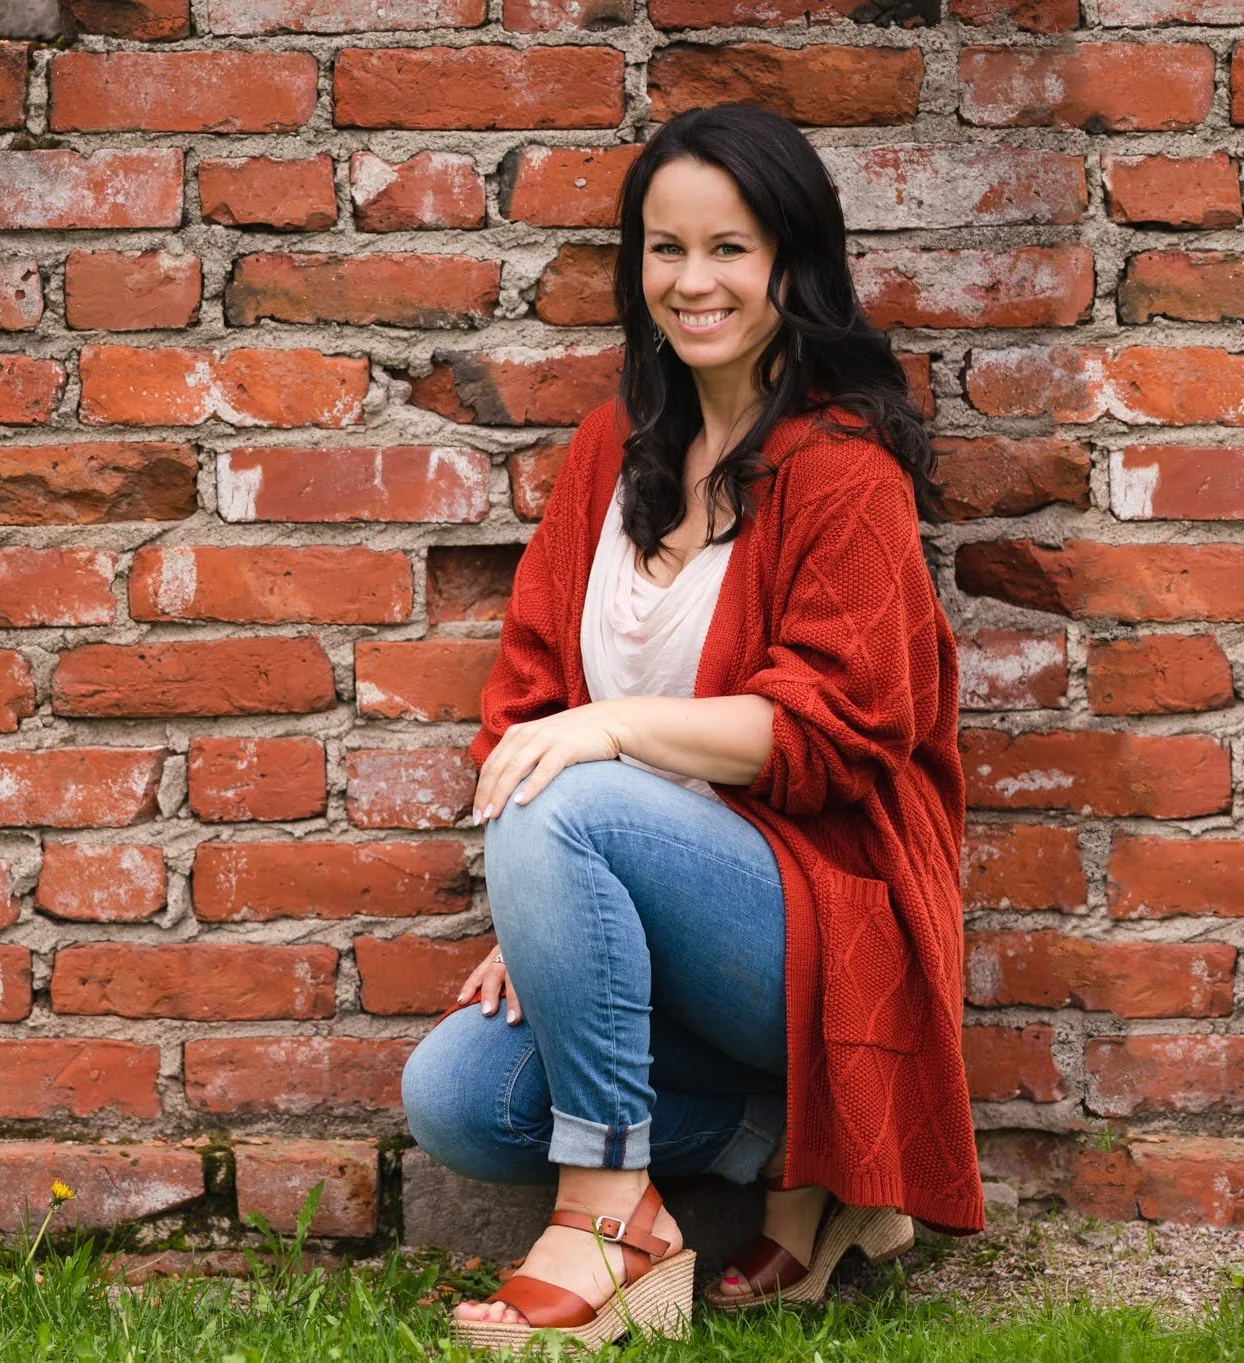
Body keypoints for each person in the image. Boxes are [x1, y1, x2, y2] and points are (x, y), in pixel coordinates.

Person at [398, 103, 984, 1351]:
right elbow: (527, 699)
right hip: (641, 918)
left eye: (729, 248)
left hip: (817, 917)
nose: (692, 281)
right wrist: (540, 898)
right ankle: (803, 1149)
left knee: (568, 785)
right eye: (665, 248)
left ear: (790, 262)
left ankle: (608, 1219)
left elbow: (838, 731)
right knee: (455, 1095)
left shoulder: (842, 471)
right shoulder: (610, 449)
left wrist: (606, 741)